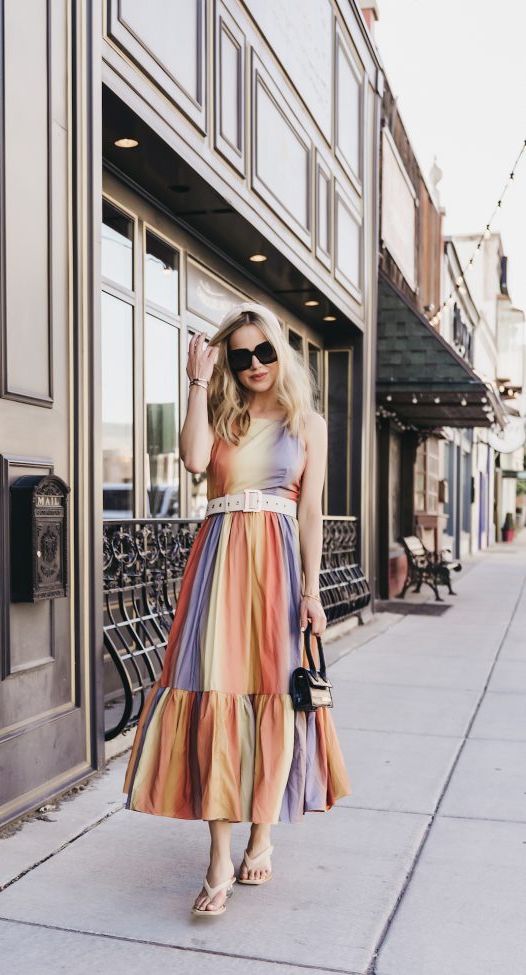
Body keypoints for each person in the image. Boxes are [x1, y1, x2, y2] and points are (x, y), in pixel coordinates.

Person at [122, 301, 352, 917]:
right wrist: (197, 380)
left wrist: (311, 591)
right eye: (240, 355)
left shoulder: (308, 423)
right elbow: (195, 461)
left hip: (277, 571)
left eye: (264, 352)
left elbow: (309, 513)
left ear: (281, 352)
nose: (253, 364)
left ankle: (262, 834)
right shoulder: (221, 411)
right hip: (220, 566)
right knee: (216, 695)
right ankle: (220, 856)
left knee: (273, 696)